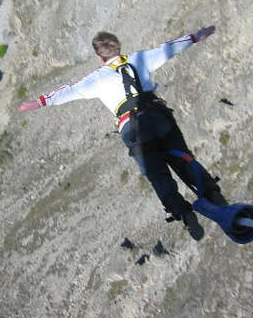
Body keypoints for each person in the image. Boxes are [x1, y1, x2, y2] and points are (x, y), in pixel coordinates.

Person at [18, 26, 228, 241]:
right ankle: (214, 195)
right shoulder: (139, 58)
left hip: (133, 128)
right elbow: (168, 49)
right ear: (119, 47)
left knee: (157, 175)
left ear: (100, 57)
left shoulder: (97, 78)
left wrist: (40, 102)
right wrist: (194, 37)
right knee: (183, 157)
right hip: (159, 115)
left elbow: (69, 91)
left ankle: (184, 214)